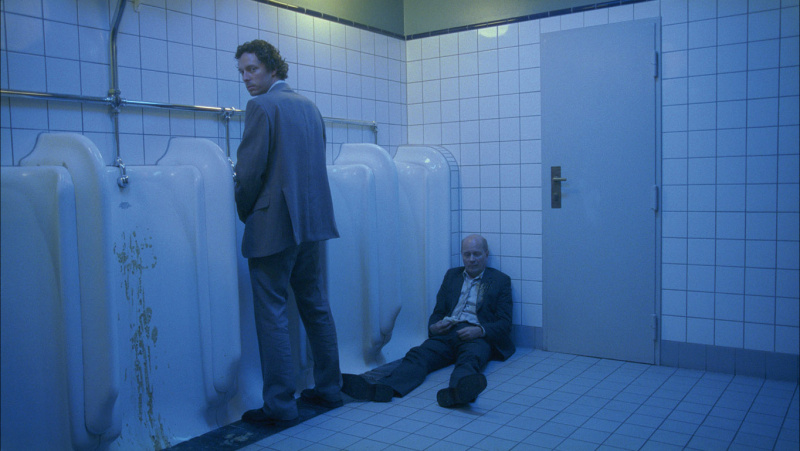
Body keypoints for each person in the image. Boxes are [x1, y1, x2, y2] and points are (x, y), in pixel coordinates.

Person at [234, 39, 342, 424]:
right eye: (242, 71)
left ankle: (280, 406)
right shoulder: (310, 107)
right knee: (314, 304)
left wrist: (246, 212)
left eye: (252, 69)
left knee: (273, 312)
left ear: (273, 69)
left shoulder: (262, 107)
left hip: (274, 227)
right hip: (311, 224)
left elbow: (248, 174)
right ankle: (329, 389)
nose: (246, 78)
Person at [342, 234, 514, 407]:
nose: (471, 259)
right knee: (418, 355)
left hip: (476, 335)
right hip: (448, 332)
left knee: (470, 359)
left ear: (486, 254)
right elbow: (438, 312)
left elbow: (505, 323)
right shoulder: (452, 276)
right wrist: (434, 327)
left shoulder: (500, 281)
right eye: (467, 254)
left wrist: (479, 330)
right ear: (462, 255)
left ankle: (458, 393)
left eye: (476, 254)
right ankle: (383, 389)